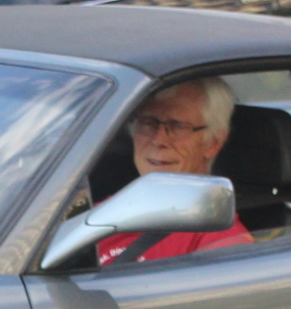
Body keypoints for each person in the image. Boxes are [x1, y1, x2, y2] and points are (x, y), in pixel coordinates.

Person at [95, 76, 253, 266]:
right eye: (148, 122)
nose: (158, 140)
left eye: (178, 127)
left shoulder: (221, 242)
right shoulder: (95, 215)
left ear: (213, 143)